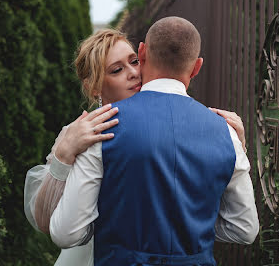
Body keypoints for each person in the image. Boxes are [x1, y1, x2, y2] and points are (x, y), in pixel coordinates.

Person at [24, 26, 254, 266]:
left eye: (134, 61)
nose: (134, 73)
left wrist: (236, 147)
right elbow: (50, 222)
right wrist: (63, 155)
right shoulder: (81, 134)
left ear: (143, 56)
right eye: (117, 70)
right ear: (95, 87)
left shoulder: (190, 122)